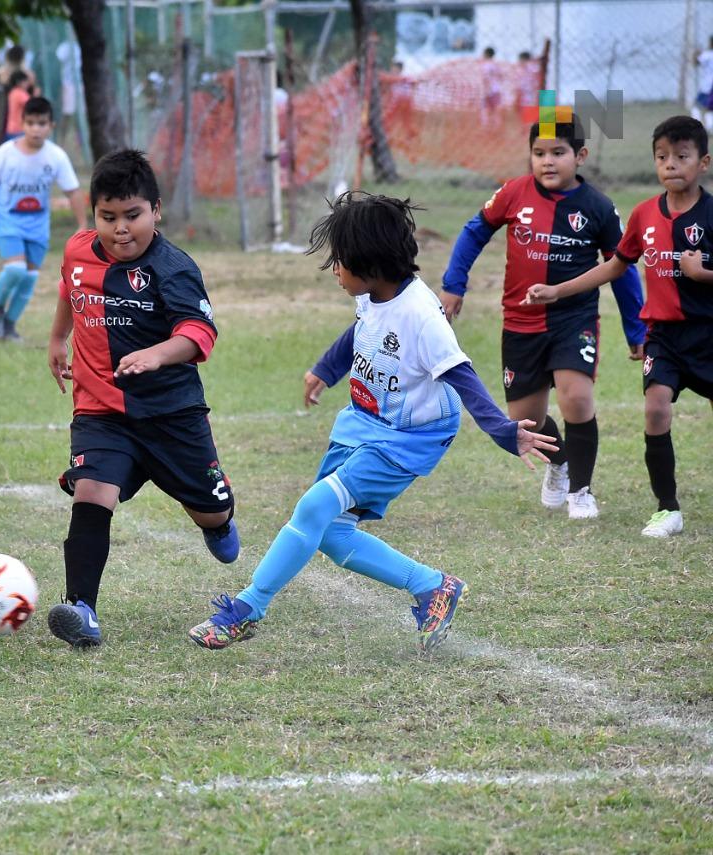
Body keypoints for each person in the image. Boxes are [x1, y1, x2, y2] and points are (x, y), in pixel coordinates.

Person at [189, 192, 557, 653]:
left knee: (312, 510)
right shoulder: (375, 294)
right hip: (365, 423)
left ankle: (246, 609)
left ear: (371, 264)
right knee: (334, 535)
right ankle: (432, 586)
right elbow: (361, 330)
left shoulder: (423, 317)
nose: (334, 270)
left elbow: (462, 376)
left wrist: (505, 431)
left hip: (408, 438)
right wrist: (326, 368)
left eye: (340, 261)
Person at [45, 149, 241, 649]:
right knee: (92, 493)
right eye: (107, 217)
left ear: (156, 210)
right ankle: (81, 609)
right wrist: (56, 340)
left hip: (171, 416)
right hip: (102, 410)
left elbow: (200, 333)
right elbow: (70, 291)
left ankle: (217, 521)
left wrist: (156, 355)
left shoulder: (172, 268)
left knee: (212, 511)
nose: (121, 229)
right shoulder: (77, 251)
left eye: (132, 215)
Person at [439, 116, 645, 519]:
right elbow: (474, 231)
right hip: (521, 323)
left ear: (580, 156)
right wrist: (453, 284)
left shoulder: (599, 208)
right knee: (526, 421)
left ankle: (581, 491)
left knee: (577, 398)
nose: (547, 162)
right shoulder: (514, 193)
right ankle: (560, 464)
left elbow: (622, 268)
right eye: (538, 154)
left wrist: (635, 327)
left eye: (558, 153)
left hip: (574, 319)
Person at [525, 116, 713, 538]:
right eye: (662, 157)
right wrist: (559, 290)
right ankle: (668, 509)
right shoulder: (645, 214)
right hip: (663, 337)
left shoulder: (711, 214)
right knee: (655, 408)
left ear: (703, 162)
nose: (670, 165)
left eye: (681, 157)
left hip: (709, 334)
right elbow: (614, 265)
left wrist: (702, 276)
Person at [0, 96, 87, 342]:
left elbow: (73, 191)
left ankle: (9, 325)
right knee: (15, 270)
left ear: (51, 126)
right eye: (31, 123)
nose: (36, 129)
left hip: (38, 225)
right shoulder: (5, 153)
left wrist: (82, 224)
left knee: (30, 277)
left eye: (42, 123)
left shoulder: (56, 157)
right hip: (8, 220)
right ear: (22, 123)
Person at [2, 69, 35, 142]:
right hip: (18, 130)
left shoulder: (12, 92)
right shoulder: (20, 93)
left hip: (10, 129)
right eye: (26, 81)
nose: (28, 84)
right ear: (19, 82)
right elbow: (34, 106)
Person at [693, 37, 713, 130]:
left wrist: (696, 53)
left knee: (696, 106)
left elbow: (695, 63)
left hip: (708, 86)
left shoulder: (707, 54)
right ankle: (709, 128)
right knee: (710, 109)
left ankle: (697, 127)